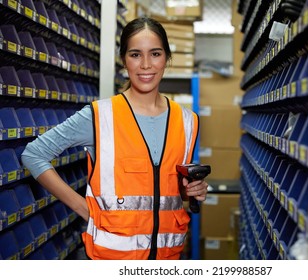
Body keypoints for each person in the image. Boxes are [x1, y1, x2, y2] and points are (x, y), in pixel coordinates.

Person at [21, 16, 209, 260]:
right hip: (112, 260)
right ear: (124, 60)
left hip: (168, 257)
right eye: (135, 54)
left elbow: (163, 189)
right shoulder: (100, 116)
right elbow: (34, 154)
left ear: (167, 58)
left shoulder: (187, 121)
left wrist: (191, 191)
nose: (145, 65)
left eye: (155, 54)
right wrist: (84, 208)